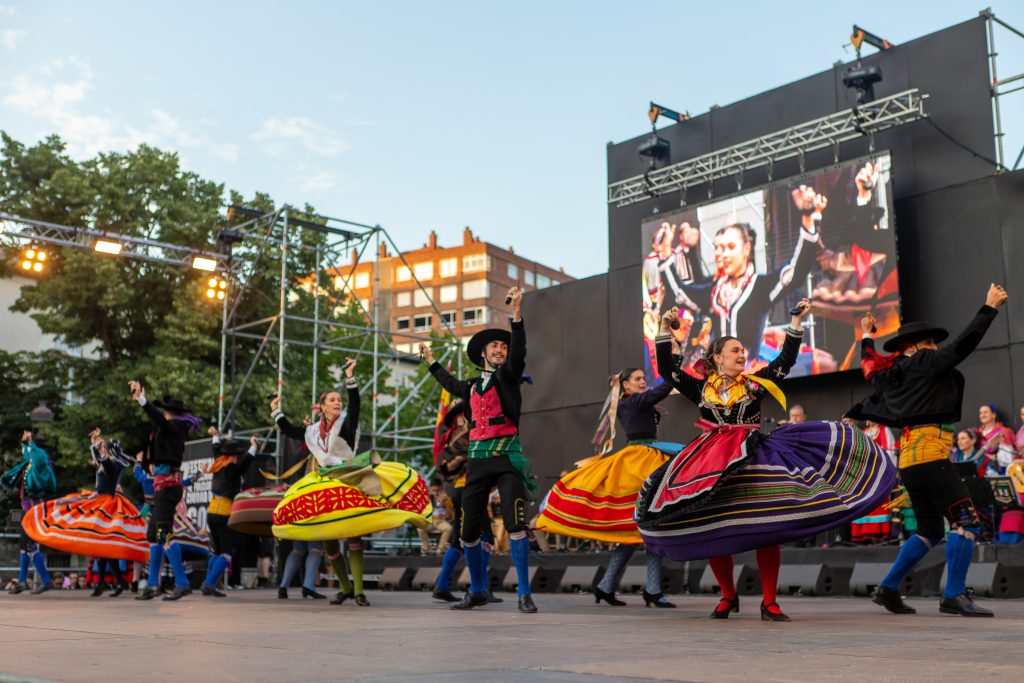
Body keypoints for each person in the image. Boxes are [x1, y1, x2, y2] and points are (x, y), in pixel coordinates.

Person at [637, 299, 895, 621]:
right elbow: (668, 370)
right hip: (710, 464)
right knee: (714, 529)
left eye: (743, 350)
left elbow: (784, 362)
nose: (742, 354)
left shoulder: (754, 384)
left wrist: (796, 322)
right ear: (717, 358)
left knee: (767, 526)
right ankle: (727, 596)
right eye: (735, 350)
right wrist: (664, 329)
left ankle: (769, 602)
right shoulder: (701, 388)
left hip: (751, 460)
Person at [849, 284, 1008, 617]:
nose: (936, 348)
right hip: (932, 456)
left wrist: (866, 336)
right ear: (914, 347)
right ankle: (954, 594)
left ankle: (888, 588)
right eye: (931, 343)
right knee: (965, 522)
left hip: (910, 461)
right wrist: (989, 308)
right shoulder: (923, 362)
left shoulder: (892, 375)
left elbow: (870, 372)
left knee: (930, 530)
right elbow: (962, 346)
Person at [271, 357, 431, 608]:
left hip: (349, 478)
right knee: (328, 537)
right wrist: (275, 410)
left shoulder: (347, 423)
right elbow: (289, 430)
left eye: (339, 399)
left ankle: (358, 592)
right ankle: (345, 588)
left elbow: (355, 404)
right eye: (332, 400)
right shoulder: (312, 431)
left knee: (354, 536)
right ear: (322, 406)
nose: (338, 402)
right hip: (324, 481)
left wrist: (350, 377)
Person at [419, 286, 539, 613]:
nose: (501, 350)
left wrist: (516, 315)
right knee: (468, 533)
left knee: (515, 526)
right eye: (495, 346)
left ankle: (524, 593)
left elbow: (519, 351)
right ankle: (476, 591)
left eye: (504, 346)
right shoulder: (471, 387)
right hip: (478, 464)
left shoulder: (509, 377)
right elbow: (449, 383)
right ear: (483, 353)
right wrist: (430, 361)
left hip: (506, 460)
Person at [538, 368, 682, 608]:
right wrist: (673, 369)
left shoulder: (634, 402)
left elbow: (650, 401)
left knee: (636, 533)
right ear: (625, 385)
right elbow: (659, 392)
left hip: (649, 456)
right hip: (639, 461)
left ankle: (607, 586)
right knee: (650, 528)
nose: (642, 382)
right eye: (638, 379)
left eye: (643, 379)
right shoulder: (630, 402)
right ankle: (651, 590)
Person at [671, 187, 825, 362]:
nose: (722, 254)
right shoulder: (715, 289)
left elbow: (795, 273)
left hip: (748, 371)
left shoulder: (758, 286)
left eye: (730, 247)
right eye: (718, 248)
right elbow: (688, 289)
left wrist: (808, 218)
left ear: (746, 248)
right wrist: (683, 252)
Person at [22, 428, 147, 597]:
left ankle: (112, 581)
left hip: (107, 505)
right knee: (101, 547)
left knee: (102, 546)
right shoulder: (107, 463)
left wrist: (99, 448)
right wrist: (94, 443)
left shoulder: (115, 464)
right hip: (98, 500)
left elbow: (105, 464)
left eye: (105, 447)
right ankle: (111, 582)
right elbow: (99, 460)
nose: (103, 449)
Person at [130, 382, 202, 602]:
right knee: (153, 536)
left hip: (168, 488)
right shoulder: (168, 428)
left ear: (167, 412)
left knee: (163, 534)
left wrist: (142, 400)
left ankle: (182, 583)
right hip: (162, 487)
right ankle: (153, 584)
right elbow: (156, 428)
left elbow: (159, 422)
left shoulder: (175, 427)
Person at [197, 429, 257, 597]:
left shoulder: (218, 464)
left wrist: (215, 436)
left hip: (212, 512)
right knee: (226, 554)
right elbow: (246, 463)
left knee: (217, 551)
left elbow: (216, 450)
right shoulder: (231, 469)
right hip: (224, 514)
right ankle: (209, 583)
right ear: (234, 456)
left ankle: (209, 583)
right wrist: (253, 446)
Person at [2, 430, 57, 595]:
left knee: (29, 545)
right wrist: (25, 443)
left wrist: (29, 442)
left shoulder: (41, 459)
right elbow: (27, 455)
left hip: (33, 508)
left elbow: (33, 456)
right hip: (29, 507)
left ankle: (44, 580)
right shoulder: (34, 459)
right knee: (24, 546)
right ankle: (22, 581)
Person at [417, 478, 454, 554]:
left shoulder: (446, 497)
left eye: (438, 490)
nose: (436, 493)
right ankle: (426, 548)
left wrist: (444, 502)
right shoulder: (425, 497)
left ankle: (440, 549)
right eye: (434, 490)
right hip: (429, 521)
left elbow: (451, 511)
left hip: (440, 520)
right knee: (420, 528)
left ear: (441, 489)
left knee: (448, 528)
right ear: (430, 488)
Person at [977, 404, 1015, 475]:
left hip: (998, 470)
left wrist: (995, 457)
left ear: (994, 415)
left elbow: (1009, 457)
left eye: (985, 412)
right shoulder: (977, 433)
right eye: (981, 413)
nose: (982, 415)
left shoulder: (1003, 431)